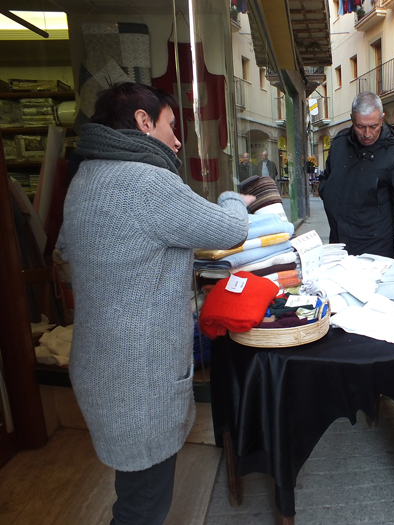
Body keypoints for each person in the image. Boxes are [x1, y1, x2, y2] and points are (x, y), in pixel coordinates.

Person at [56, 82, 254, 525]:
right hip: (138, 381)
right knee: (143, 507)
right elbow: (228, 230)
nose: (178, 139)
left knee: (133, 491)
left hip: (100, 368)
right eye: (170, 125)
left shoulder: (83, 179)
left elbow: (69, 251)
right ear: (144, 123)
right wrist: (232, 199)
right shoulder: (147, 181)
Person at [319, 92, 394, 262]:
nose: (367, 133)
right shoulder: (339, 145)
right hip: (338, 246)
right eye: (360, 126)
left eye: (373, 126)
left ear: (382, 118)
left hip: (376, 250)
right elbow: (326, 179)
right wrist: (327, 193)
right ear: (352, 119)